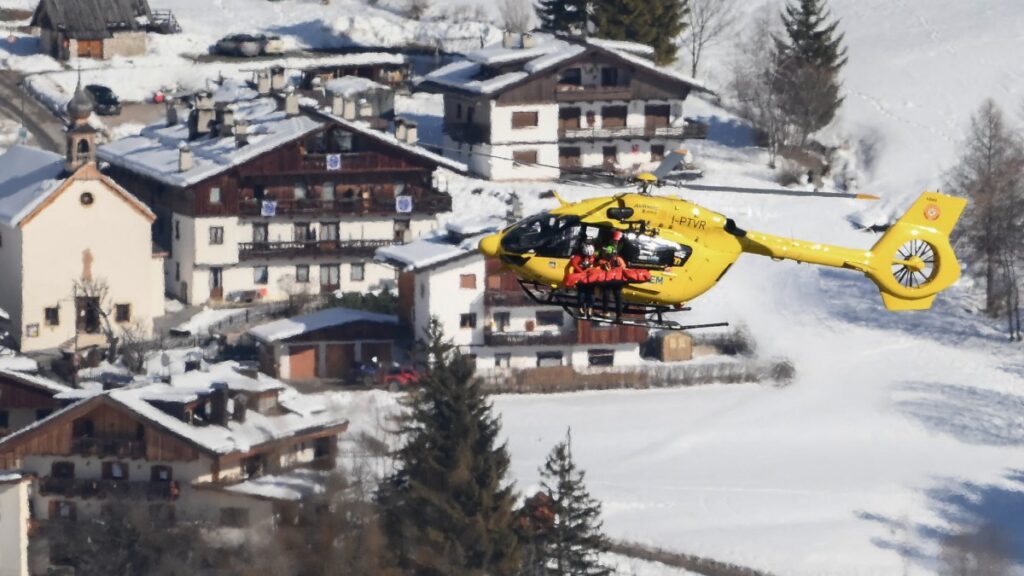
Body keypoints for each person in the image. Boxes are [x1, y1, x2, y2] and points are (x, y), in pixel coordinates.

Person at [598, 231, 626, 321]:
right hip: (618, 280)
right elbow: (623, 268)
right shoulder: (618, 259)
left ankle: (606, 312)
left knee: (607, 294)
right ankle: (619, 315)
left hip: (611, 279)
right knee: (617, 295)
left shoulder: (612, 260)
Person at [568, 242, 597, 317]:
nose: (588, 256)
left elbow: (597, 264)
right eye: (586, 255)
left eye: (589, 255)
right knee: (582, 293)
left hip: (590, 277)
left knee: (591, 293)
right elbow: (573, 263)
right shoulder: (578, 257)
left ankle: (590, 307)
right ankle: (581, 307)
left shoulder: (594, 257)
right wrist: (581, 271)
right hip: (581, 277)